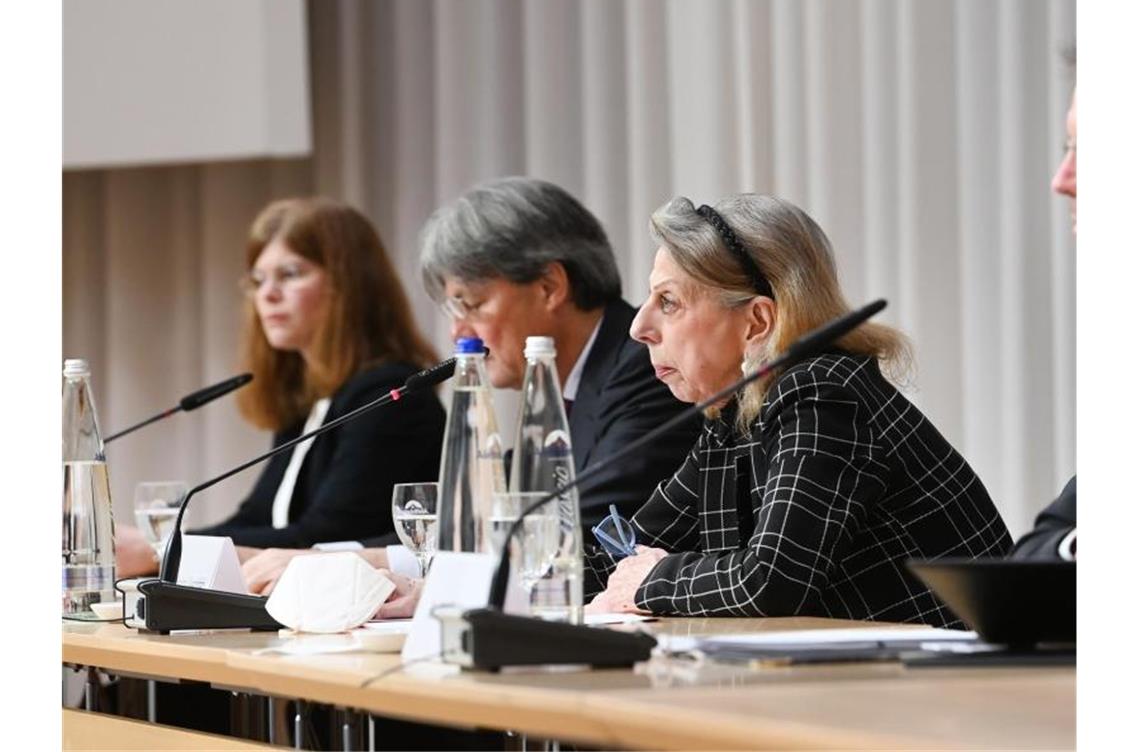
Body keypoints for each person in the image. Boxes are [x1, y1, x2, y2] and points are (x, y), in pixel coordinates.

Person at [241, 177, 700, 598]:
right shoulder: (556, 390)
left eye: (472, 305)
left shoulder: (645, 367)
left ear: (549, 287)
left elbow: (572, 534)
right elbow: (472, 525)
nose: (460, 336)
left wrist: (349, 561)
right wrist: (336, 560)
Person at [584, 194, 1012, 625]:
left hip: (966, 682)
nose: (639, 328)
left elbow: (772, 581)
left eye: (669, 302)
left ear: (757, 322)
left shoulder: (823, 395)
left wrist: (653, 579)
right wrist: (528, 577)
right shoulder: (734, 419)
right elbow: (620, 558)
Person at [116, 197, 446, 577]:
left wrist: (161, 551)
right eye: (257, 281)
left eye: (290, 274)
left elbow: (324, 537)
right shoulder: (311, 397)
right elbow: (259, 516)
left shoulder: (391, 398)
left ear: (349, 285)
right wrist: (162, 547)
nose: (267, 295)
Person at [1011, 81, 1077, 560]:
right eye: (1067, 148)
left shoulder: (818, 388)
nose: (1062, 179)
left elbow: (772, 582)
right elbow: (1032, 554)